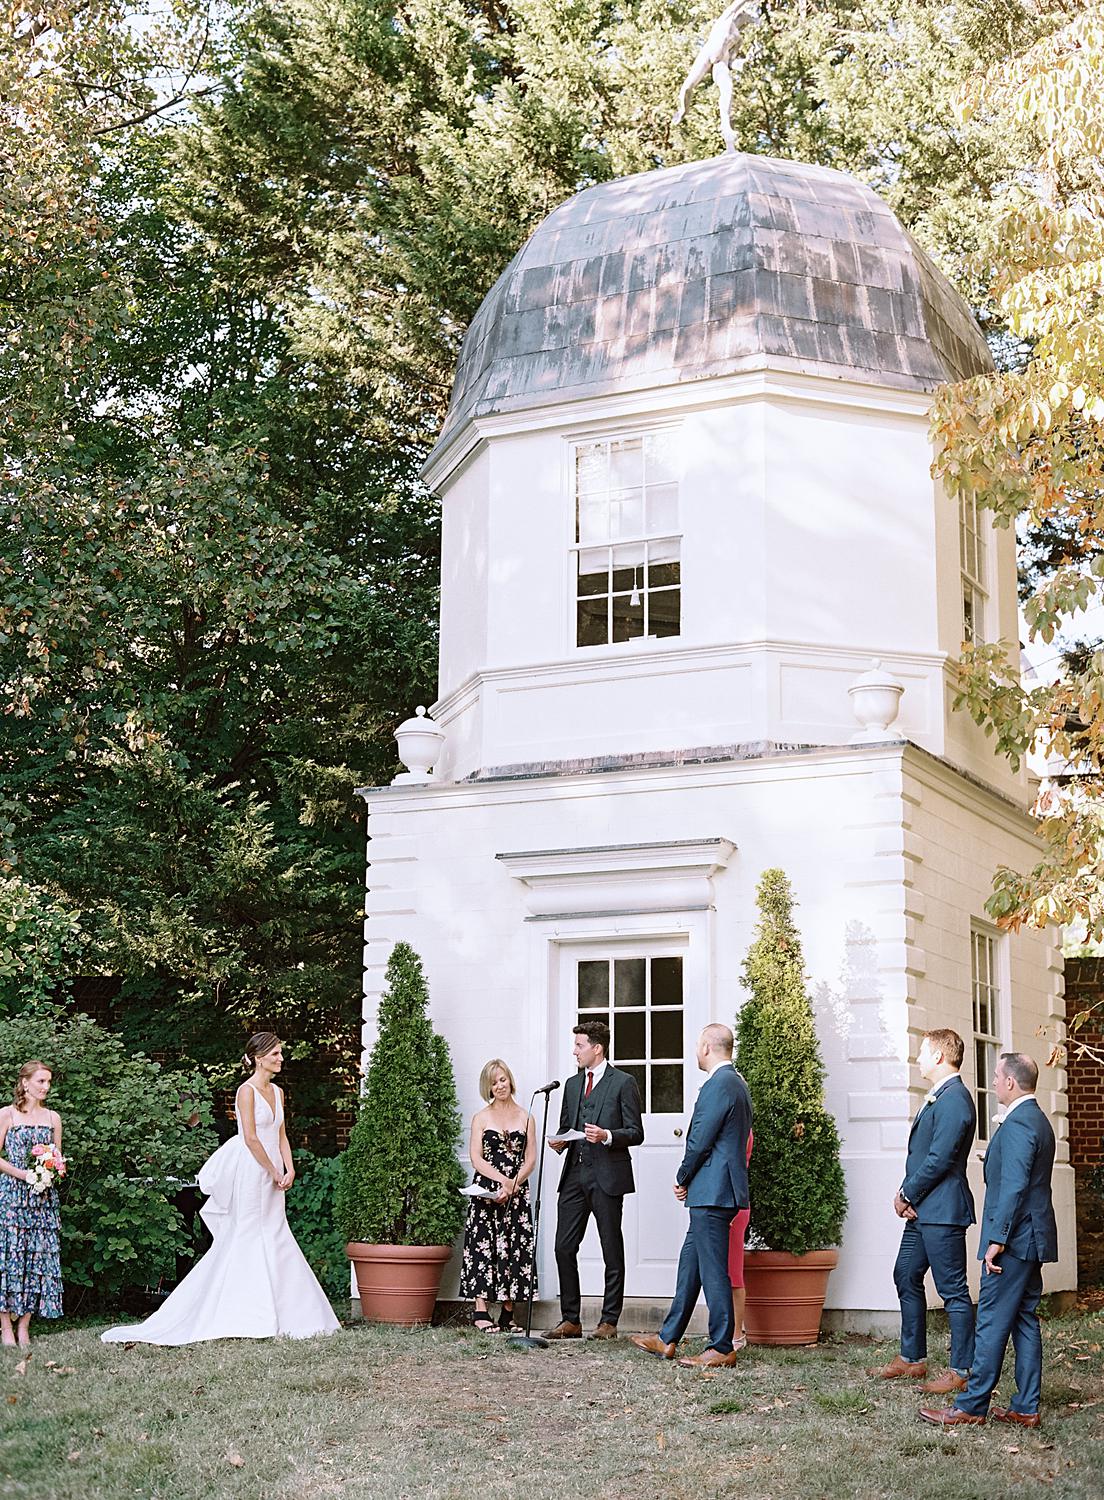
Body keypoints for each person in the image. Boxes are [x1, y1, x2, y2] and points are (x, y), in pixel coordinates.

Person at [102, 1033, 340, 1344]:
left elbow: (280, 1135)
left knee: (276, 1230)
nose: (281, 1059)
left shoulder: (279, 1092)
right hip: (253, 1171)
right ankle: (241, 1311)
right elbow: (252, 1138)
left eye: (281, 1054)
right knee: (249, 1232)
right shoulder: (246, 1092)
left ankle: (291, 1314)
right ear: (258, 1057)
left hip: (274, 1171)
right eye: (276, 1054)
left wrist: (289, 1167)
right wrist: (271, 1170)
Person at [920, 1052, 1058, 1429]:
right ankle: (1026, 1407)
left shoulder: (1017, 1125)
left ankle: (971, 1406)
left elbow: (1013, 1187)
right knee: (1025, 1320)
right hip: (1032, 1237)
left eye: (997, 1076)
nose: (994, 1081)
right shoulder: (1038, 1121)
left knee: (992, 1322)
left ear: (1011, 1082)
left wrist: (997, 1239)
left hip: (1013, 1240)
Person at [632, 1024, 751, 1369]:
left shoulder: (720, 1084)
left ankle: (721, 1345)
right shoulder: (736, 1083)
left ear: (707, 1047)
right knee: (691, 1266)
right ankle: (668, 1338)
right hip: (714, 1190)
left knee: (714, 1270)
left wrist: (683, 1175)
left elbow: (700, 1139)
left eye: (698, 1044)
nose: (695, 1050)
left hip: (713, 1191)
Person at [871, 1029, 976, 1394]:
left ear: (938, 1056)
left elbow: (940, 1159)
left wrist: (906, 1193)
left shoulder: (955, 1100)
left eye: (921, 1052)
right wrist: (912, 1198)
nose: (917, 1059)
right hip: (923, 1210)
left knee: (953, 1292)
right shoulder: (940, 1096)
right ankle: (912, 1358)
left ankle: (962, 1369)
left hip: (943, 1211)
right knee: (905, 1274)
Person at [543, 1021, 644, 1341]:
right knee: (563, 1247)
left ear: (597, 1048)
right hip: (574, 1174)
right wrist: (559, 1142)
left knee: (610, 1248)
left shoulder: (623, 1083)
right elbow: (565, 1127)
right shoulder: (572, 1086)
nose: (574, 1051)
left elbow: (636, 1132)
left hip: (608, 1176)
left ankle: (609, 1321)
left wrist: (607, 1135)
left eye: (579, 1045)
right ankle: (570, 1320)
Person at [458, 1059, 536, 1332]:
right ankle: (480, 1311)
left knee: (514, 1249)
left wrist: (514, 1184)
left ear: (510, 1080)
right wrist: (502, 1181)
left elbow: (531, 1158)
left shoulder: (527, 1117)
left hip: (516, 1192)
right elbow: (476, 1158)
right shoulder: (481, 1117)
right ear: (487, 1088)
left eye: (502, 1079)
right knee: (483, 1246)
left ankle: (507, 1313)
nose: (499, 1085)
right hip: (487, 1191)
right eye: (494, 1082)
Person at [0, 1062, 64, 1346]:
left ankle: (24, 1325)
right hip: (12, 1196)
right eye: (40, 1081)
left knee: (37, 1259)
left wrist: (51, 1171)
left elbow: (58, 1159)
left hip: (42, 1200)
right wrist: (23, 1174)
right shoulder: (7, 1115)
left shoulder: (53, 1118)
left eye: (48, 1081)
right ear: (25, 1083)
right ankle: (5, 1327)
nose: (45, 1087)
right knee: (10, 1259)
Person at [727, 1126, 754, 1352]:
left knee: (733, 1273)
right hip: (727, 1203)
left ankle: (737, 1334)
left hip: (732, 1204)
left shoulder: (742, 1130)